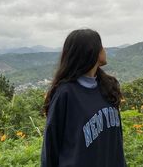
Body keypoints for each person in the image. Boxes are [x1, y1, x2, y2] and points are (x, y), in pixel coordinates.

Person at [40, 28, 127, 167]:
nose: (104, 49)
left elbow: (117, 141)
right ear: (91, 51)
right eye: (101, 45)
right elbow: (50, 147)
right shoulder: (65, 93)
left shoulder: (109, 87)